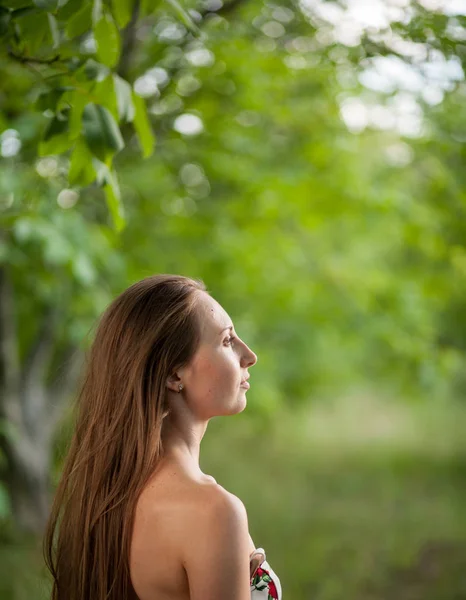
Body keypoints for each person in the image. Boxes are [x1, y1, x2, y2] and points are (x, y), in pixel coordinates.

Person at [43, 274, 282, 600]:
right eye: (227, 341)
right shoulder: (214, 511)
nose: (249, 354)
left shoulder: (102, 495)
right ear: (174, 373)